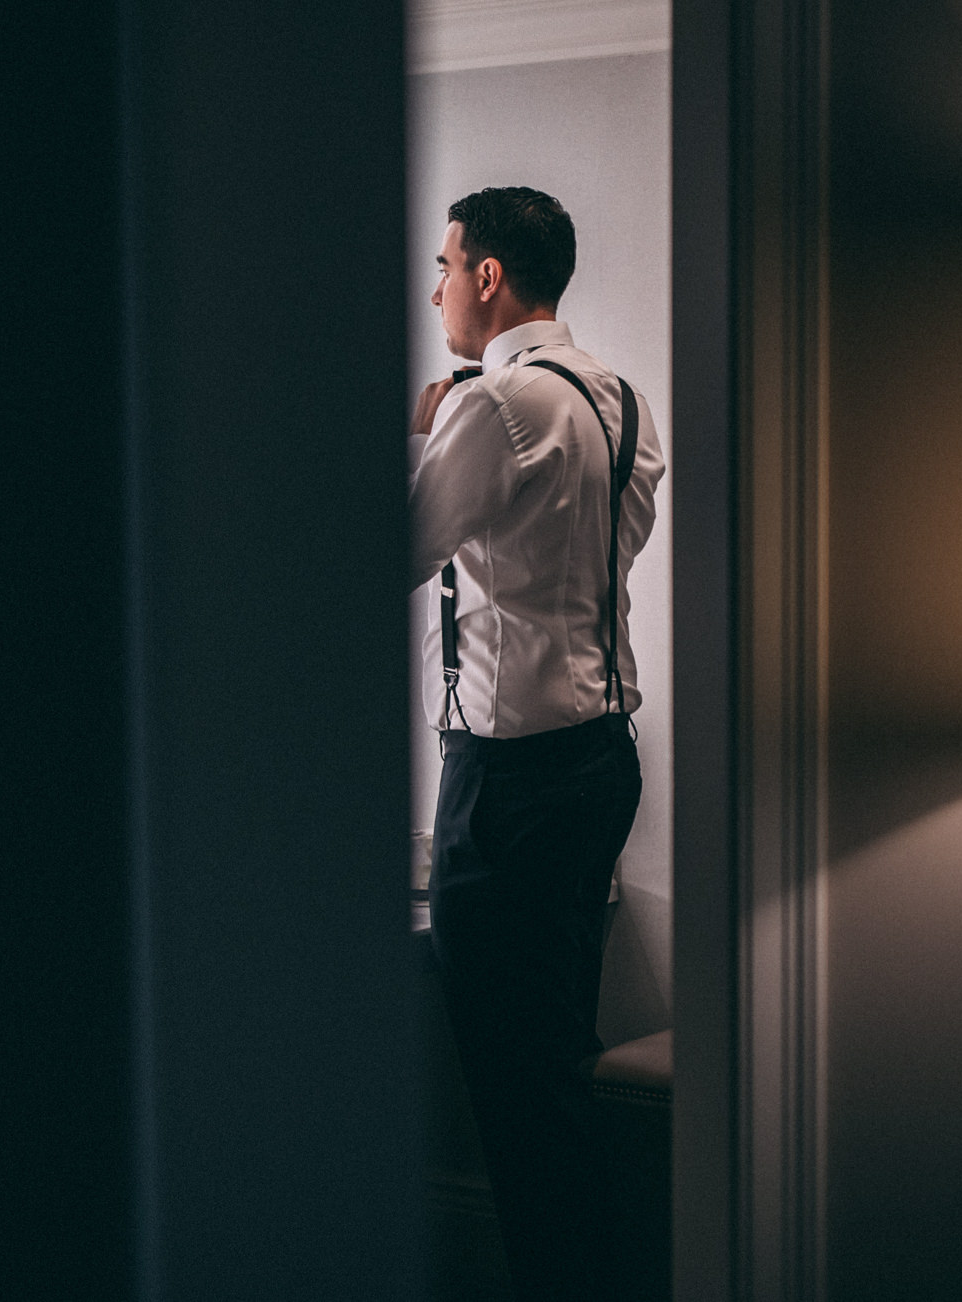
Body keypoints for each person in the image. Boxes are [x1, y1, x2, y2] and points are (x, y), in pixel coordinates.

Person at [409, 186, 664, 1301]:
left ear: (486, 276)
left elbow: (399, 546)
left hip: (506, 785)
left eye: (443, 263)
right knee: (552, 1062)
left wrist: (420, 430)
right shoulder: (616, 400)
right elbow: (621, 541)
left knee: (509, 1087)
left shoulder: (493, 405)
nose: (433, 290)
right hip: (601, 761)